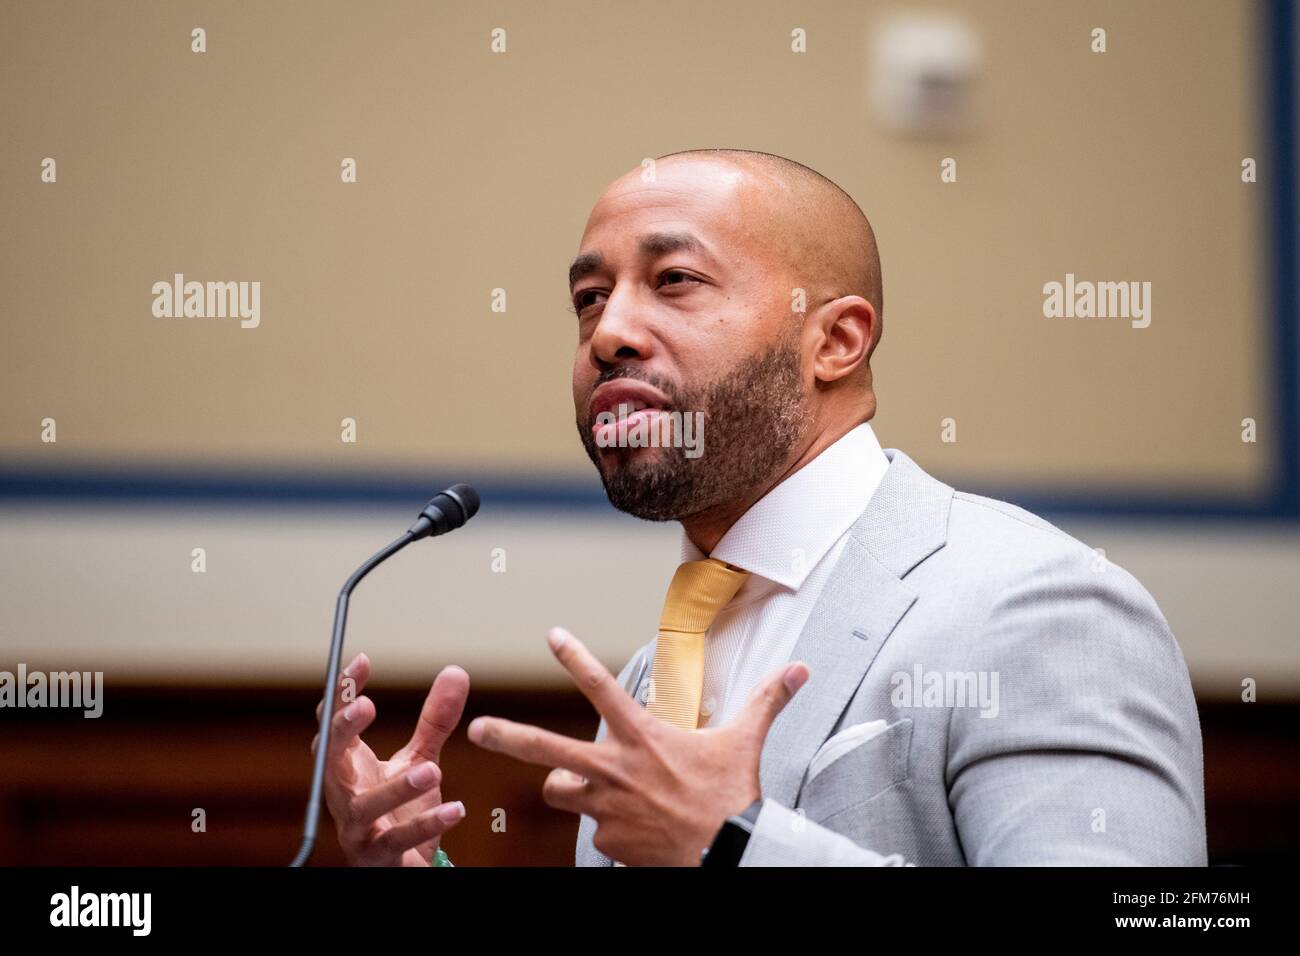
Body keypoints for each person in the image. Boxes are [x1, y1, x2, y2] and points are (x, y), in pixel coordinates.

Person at [317, 148, 1207, 866]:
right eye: (589, 299)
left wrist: (735, 843)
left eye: (674, 280)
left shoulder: (1035, 605)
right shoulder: (660, 669)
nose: (608, 334)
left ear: (835, 341)